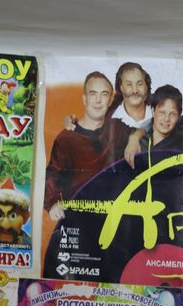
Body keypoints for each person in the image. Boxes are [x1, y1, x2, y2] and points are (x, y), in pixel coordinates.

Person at [44, 71, 132, 222]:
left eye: (104, 94)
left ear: (110, 100)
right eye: (93, 94)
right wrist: (52, 204)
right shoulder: (66, 139)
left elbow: (150, 130)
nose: (98, 100)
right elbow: (52, 177)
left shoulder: (118, 131)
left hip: (113, 221)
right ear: (84, 99)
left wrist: (135, 137)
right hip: (78, 219)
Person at [109, 62, 152, 128]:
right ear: (121, 87)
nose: (135, 90)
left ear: (146, 86)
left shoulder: (158, 114)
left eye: (139, 84)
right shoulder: (111, 119)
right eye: (129, 84)